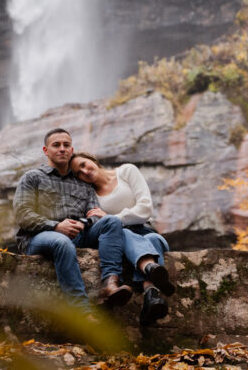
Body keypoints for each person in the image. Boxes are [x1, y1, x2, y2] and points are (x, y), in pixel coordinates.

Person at [13, 127, 133, 311]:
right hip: (38, 238)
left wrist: (83, 223)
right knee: (61, 241)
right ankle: (82, 311)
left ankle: (110, 284)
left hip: (78, 235)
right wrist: (55, 226)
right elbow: (23, 214)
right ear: (46, 150)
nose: (62, 148)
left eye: (66, 145)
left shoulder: (83, 182)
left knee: (112, 222)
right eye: (56, 145)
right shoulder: (32, 178)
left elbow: (94, 214)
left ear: (71, 150)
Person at [70, 153, 174, 327]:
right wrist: (112, 221)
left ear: (92, 160)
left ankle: (150, 284)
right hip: (121, 236)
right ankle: (152, 294)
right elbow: (104, 225)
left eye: (83, 164)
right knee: (126, 232)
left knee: (154, 238)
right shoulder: (91, 196)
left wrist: (112, 216)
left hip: (146, 229)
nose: (84, 171)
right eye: (78, 173)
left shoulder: (127, 171)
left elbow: (145, 208)